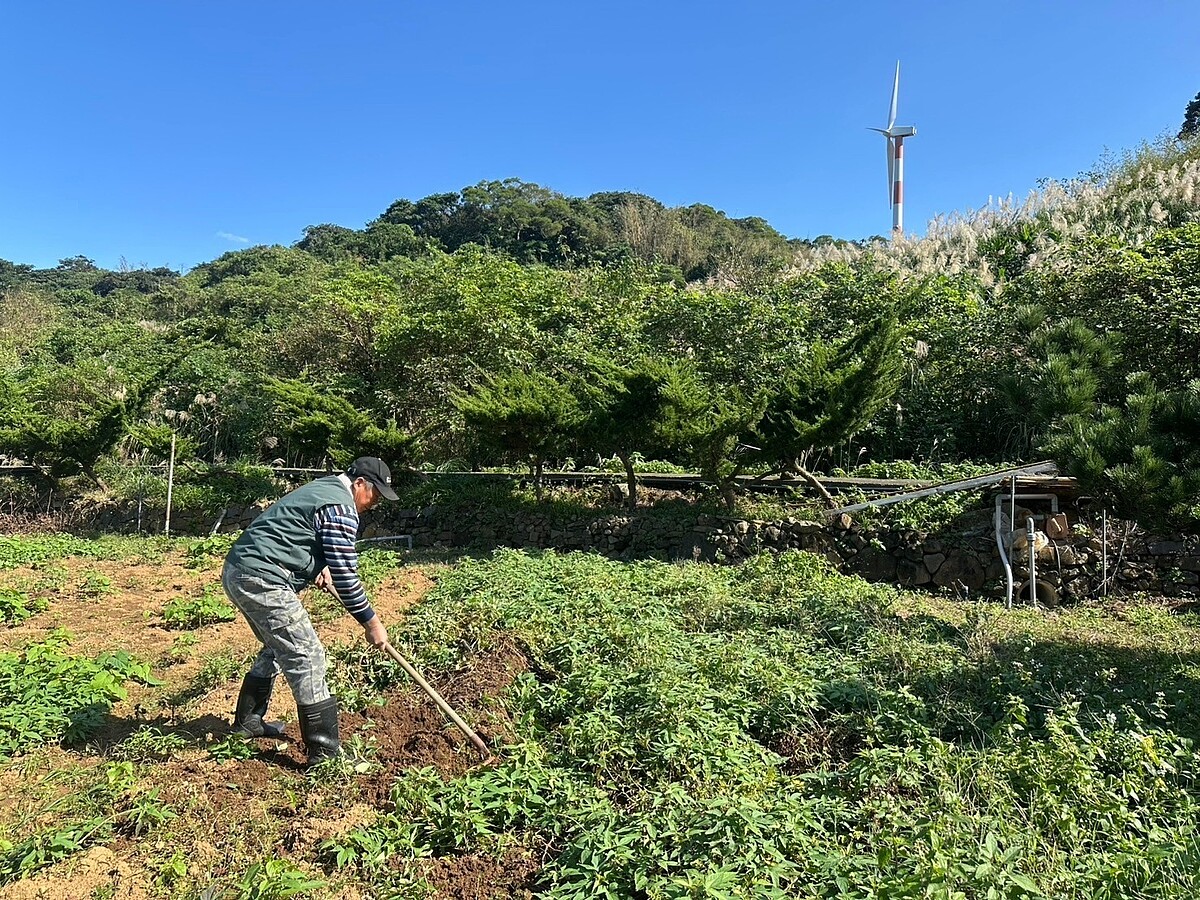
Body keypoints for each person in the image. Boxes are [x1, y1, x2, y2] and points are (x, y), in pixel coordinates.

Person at [221, 456, 399, 764]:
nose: (375, 503)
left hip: (241, 569)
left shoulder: (325, 489)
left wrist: (314, 565)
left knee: (277, 646)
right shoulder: (341, 508)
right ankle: (324, 754)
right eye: (375, 494)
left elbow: (296, 535)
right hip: (262, 577)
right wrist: (372, 624)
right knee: (307, 655)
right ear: (359, 483)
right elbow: (346, 577)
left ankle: (248, 722)